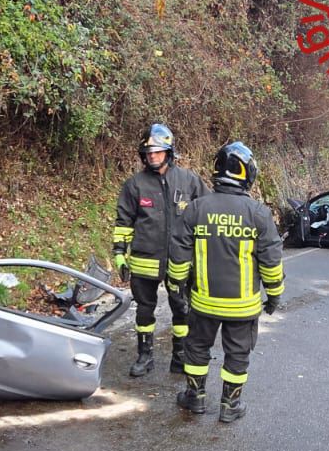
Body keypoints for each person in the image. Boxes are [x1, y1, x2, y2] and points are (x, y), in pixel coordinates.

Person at [166, 142, 284, 421]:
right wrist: (275, 295)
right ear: (248, 175)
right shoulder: (258, 213)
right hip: (243, 307)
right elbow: (271, 261)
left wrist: (176, 286)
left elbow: (179, 254)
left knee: (196, 349)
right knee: (238, 354)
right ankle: (230, 406)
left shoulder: (196, 208)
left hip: (204, 303)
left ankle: (195, 398)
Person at [112, 123, 209, 377]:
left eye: (157, 151)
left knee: (182, 308)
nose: (152, 156)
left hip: (180, 261)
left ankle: (180, 356)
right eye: (147, 152)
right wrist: (120, 254)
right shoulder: (134, 185)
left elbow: (205, 215)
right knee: (145, 310)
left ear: (169, 151)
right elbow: (124, 221)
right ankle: (145, 356)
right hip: (145, 260)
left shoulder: (189, 181)